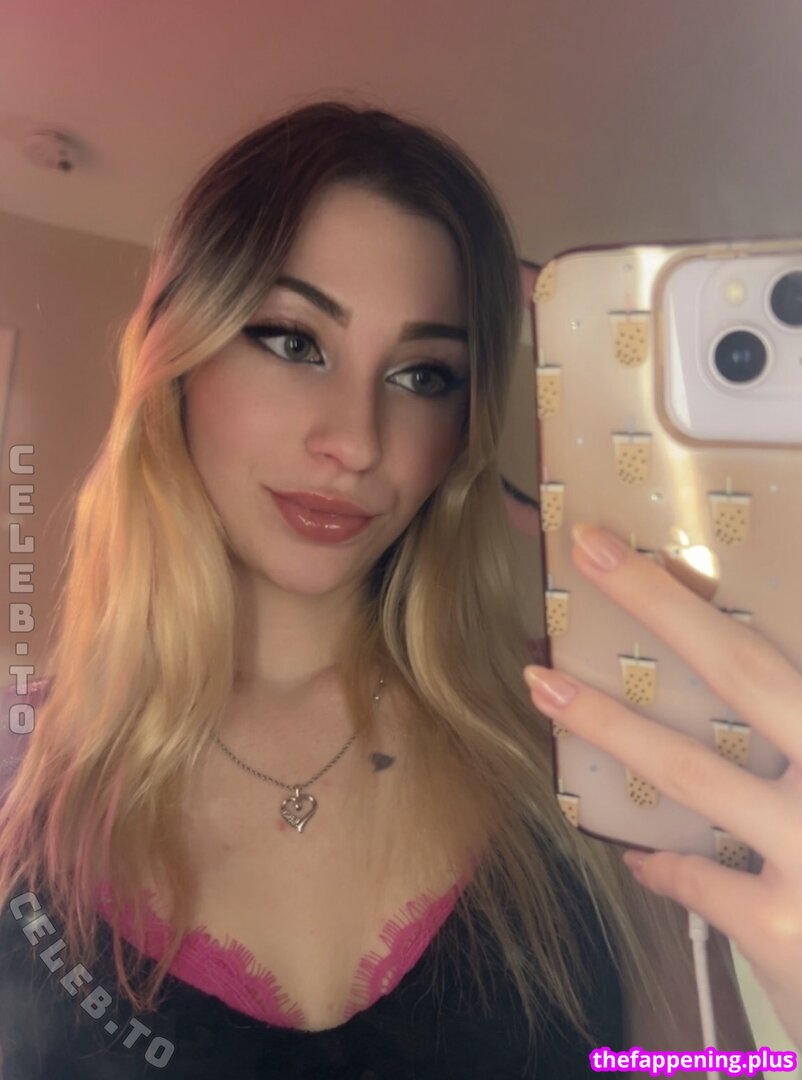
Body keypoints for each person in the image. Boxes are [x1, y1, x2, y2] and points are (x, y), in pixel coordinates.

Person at [0, 100, 776, 1079]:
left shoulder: (581, 744)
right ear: (176, 361)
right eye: (293, 341)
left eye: (422, 375)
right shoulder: (18, 774)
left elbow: (699, 1063)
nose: (357, 441)